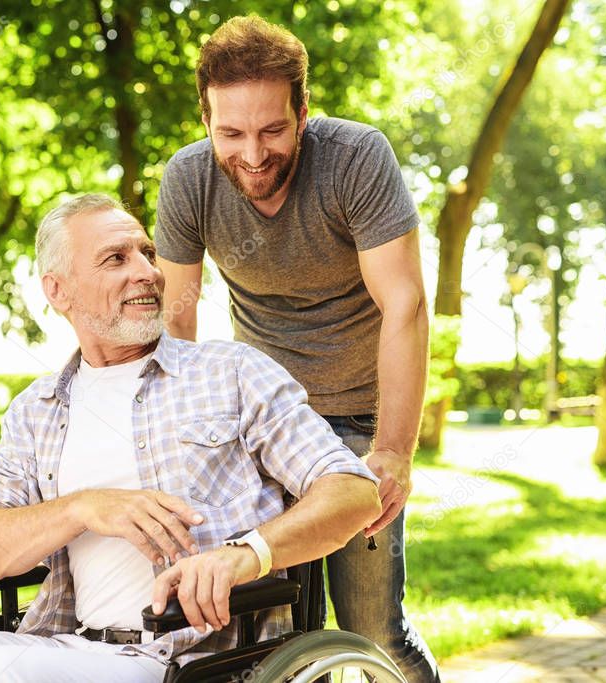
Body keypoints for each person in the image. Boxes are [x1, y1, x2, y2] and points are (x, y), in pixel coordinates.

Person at [0, 194, 381, 682]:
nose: (147, 271)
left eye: (147, 252)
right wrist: (85, 508)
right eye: (116, 258)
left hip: (183, 659)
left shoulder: (232, 373)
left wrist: (247, 555)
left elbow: (354, 493)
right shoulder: (37, 410)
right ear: (58, 291)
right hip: (61, 645)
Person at [153, 15, 439, 683]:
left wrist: (393, 447)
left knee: (371, 625)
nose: (252, 155)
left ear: (302, 112)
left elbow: (404, 304)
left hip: (358, 426)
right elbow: (176, 318)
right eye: (230, 133)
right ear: (205, 120)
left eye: (272, 130)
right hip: (265, 424)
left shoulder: (355, 159)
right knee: (272, 626)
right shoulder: (189, 180)